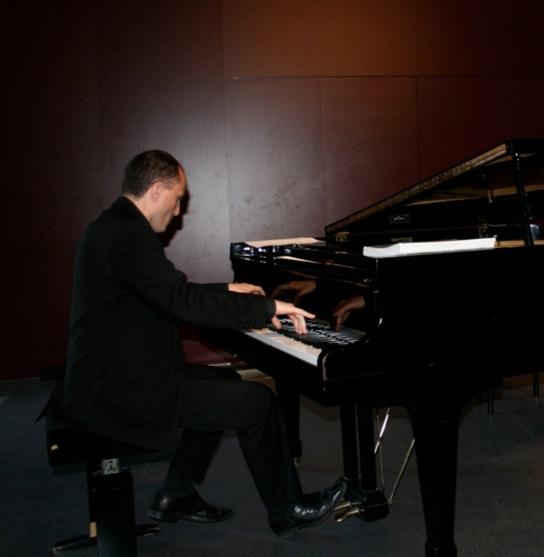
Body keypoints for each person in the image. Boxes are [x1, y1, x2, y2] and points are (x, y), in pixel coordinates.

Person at [54, 149, 346, 536]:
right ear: (157, 190)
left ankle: (176, 494)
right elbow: (179, 301)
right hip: (114, 390)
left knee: (224, 381)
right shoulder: (127, 235)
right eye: (177, 200)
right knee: (257, 402)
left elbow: (164, 293)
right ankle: (287, 508)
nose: (178, 212)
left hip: (110, 375)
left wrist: (227, 289)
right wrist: (266, 307)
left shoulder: (112, 226)